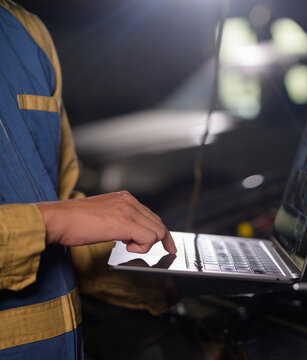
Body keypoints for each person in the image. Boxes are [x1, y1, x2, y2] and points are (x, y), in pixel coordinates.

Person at [0, 1, 177, 358]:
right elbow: (62, 221)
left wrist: (168, 283)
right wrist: (54, 221)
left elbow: (65, 218)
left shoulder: (25, 32)